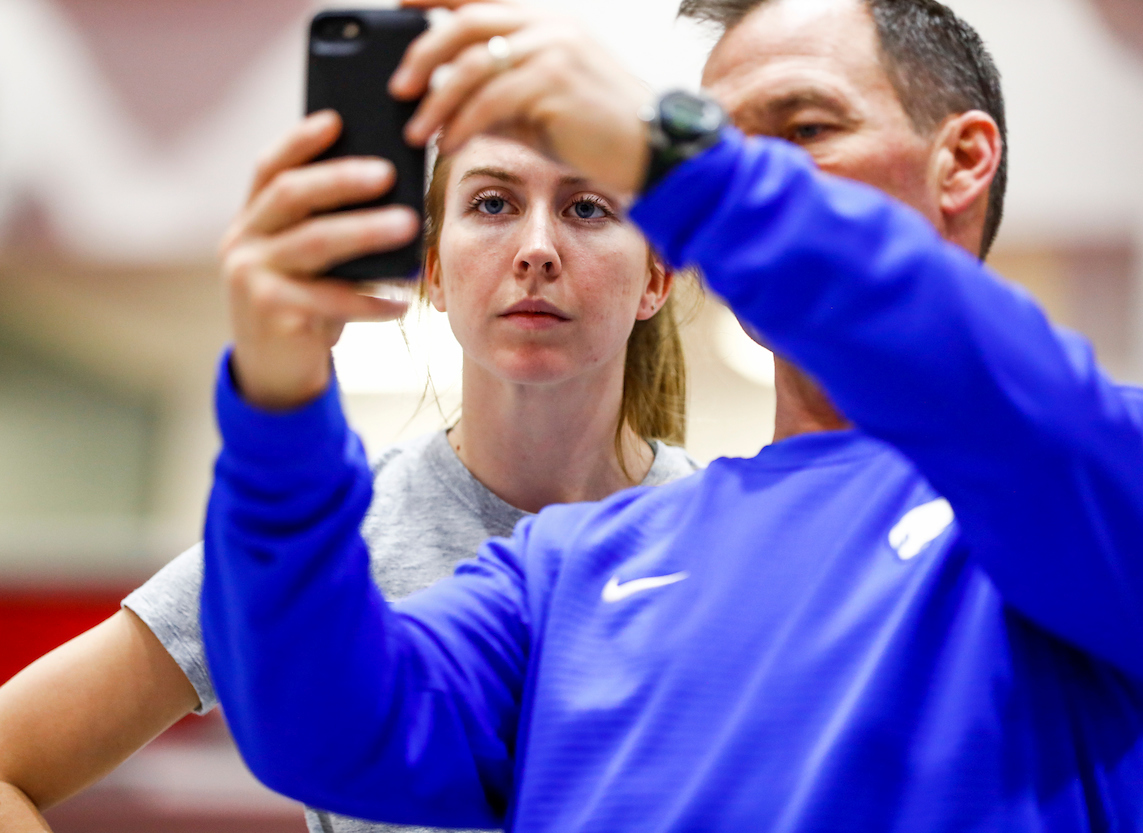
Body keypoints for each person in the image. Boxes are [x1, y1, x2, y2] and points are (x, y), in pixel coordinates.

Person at [201, 0, 1143, 830]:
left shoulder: (1114, 474)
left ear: (962, 161)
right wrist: (277, 404)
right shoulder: (570, 563)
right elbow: (317, 723)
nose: (742, 177)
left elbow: (992, 387)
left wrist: (684, 163)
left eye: (804, 130)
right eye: (723, 146)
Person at [0, 114, 698, 833]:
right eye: (493, 203)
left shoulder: (732, 544)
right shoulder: (324, 545)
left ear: (655, 276)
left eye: (587, 208)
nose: (537, 249)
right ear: (434, 271)